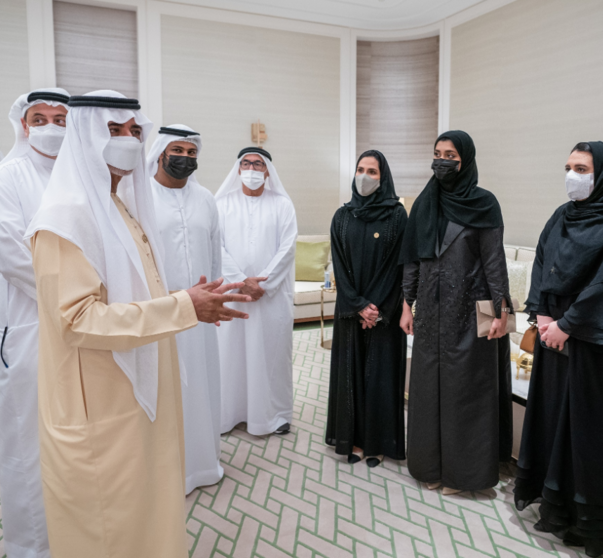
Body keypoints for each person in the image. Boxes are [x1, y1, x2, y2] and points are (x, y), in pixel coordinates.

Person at [25, 90, 250, 558]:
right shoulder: (65, 219)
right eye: (113, 130)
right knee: (110, 530)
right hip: (99, 410)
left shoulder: (118, 207)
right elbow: (78, 320)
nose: (127, 141)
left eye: (133, 131)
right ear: (85, 136)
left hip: (135, 401)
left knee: (147, 521)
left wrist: (189, 302)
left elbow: (136, 295)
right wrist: (183, 307)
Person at [400, 130, 513, 495]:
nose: (442, 161)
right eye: (437, 153)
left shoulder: (484, 202)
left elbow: (494, 261)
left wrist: (502, 310)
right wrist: (406, 303)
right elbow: (413, 259)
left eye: (450, 155)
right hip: (431, 314)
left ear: (465, 159)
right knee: (428, 391)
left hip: (470, 310)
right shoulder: (425, 202)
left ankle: (464, 476)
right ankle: (429, 467)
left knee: (466, 392)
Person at [514, 142, 603, 558]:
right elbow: (540, 264)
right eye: (568, 167)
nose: (572, 175)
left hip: (588, 341)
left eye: (581, 168)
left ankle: (582, 519)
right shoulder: (561, 216)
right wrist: (541, 314)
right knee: (551, 419)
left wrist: (567, 325)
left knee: (583, 429)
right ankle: (553, 504)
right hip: (552, 335)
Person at [0, 87, 70, 558]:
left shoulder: (78, 175)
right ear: (23, 126)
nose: (50, 127)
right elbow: (10, 250)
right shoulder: (8, 176)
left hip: (80, 326)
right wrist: (71, 296)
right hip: (29, 323)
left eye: (61, 119)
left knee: (70, 438)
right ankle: (29, 546)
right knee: (26, 439)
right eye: (39, 118)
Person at [148, 124, 224, 491]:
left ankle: (203, 464)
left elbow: (215, 251)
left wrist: (216, 297)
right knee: (165, 386)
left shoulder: (206, 198)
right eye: (177, 151)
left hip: (201, 313)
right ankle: (167, 471)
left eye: (192, 153)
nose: (185, 158)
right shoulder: (140, 195)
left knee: (201, 383)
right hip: (157, 312)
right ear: (160, 152)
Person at [325, 150, 408, 467]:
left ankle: (379, 443)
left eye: (372, 172)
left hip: (385, 311)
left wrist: (376, 308)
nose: (365, 176)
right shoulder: (342, 216)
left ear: (383, 177)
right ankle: (355, 441)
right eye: (360, 169)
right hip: (350, 310)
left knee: (381, 377)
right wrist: (359, 305)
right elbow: (339, 265)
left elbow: (396, 266)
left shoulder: (398, 216)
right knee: (352, 375)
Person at [216, 147, 297, 436]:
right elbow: (217, 247)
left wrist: (261, 284)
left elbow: (287, 248)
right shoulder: (221, 204)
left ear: (267, 171)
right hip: (232, 294)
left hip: (270, 298)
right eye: (247, 163)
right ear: (238, 169)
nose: (252, 168)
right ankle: (230, 414)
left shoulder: (282, 205)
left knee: (271, 354)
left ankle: (274, 415)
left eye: (258, 164)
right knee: (231, 354)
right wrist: (241, 281)